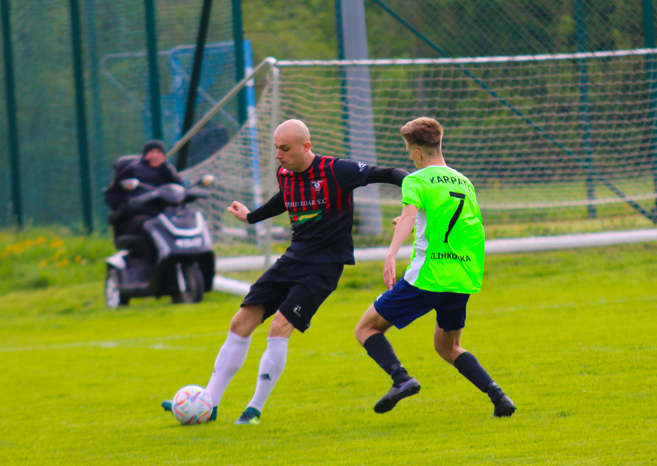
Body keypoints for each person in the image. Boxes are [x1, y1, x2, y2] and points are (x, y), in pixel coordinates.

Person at [162, 119, 409, 424]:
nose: (278, 155)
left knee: (279, 325)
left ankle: (254, 409)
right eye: (276, 148)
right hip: (292, 259)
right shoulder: (285, 173)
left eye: (285, 148)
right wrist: (252, 217)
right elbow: (285, 198)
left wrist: (415, 194)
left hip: (324, 266)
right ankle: (209, 403)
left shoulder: (337, 170)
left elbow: (389, 173)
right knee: (241, 322)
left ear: (306, 146)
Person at [353, 117, 516, 418]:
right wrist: (413, 223)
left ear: (415, 152)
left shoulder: (416, 179)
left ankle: (401, 379)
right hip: (461, 275)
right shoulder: (463, 181)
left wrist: (391, 253)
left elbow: (409, 213)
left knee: (366, 328)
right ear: (439, 143)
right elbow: (460, 226)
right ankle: (499, 397)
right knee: (448, 347)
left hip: (427, 276)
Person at [104, 139, 182, 260]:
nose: (155, 155)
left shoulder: (168, 170)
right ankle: (153, 261)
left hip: (165, 214)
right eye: (152, 152)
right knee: (148, 225)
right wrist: (125, 207)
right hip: (140, 214)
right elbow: (113, 194)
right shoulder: (132, 169)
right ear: (145, 154)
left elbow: (179, 189)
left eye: (159, 152)